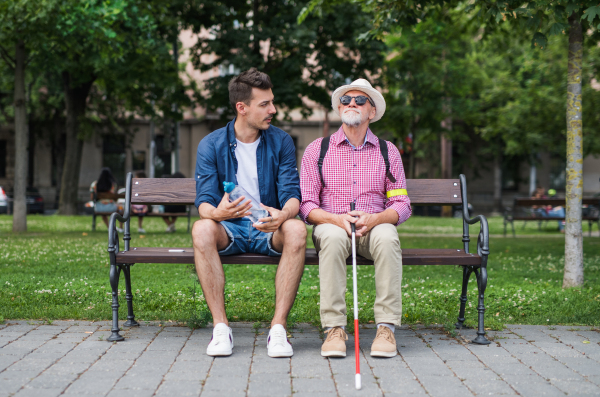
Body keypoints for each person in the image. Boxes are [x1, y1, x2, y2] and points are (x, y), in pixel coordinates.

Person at [192, 68, 306, 358]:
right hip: (229, 227)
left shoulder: (280, 141)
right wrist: (217, 212)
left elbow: (293, 195)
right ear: (241, 108)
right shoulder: (211, 144)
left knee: (296, 229)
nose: (273, 110)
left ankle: (278, 330)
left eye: (272, 102)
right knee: (201, 228)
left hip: (269, 226)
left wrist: (283, 216)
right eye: (264, 104)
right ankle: (221, 329)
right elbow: (203, 200)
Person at [299, 78, 411, 358]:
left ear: (371, 111)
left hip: (372, 228)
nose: (352, 104)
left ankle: (386, 328)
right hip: (332, 227)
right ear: (339, 108)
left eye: (360, 100)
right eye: (346, 100)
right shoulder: (317, 149)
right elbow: (307, 205)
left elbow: (401, 202)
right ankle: (334, 329)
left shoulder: (388, 151)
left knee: (388, 235)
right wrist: (335, 220)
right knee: (335, 237)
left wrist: (375, 219)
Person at [90, 167, 123, 232]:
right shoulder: (113, 184)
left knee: (104, 214)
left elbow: (92, 198)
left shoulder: (94, 184)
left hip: (99, 208)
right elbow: (115, 198)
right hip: (111, 207)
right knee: (121, 209)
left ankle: (109, 227)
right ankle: (121, 228)